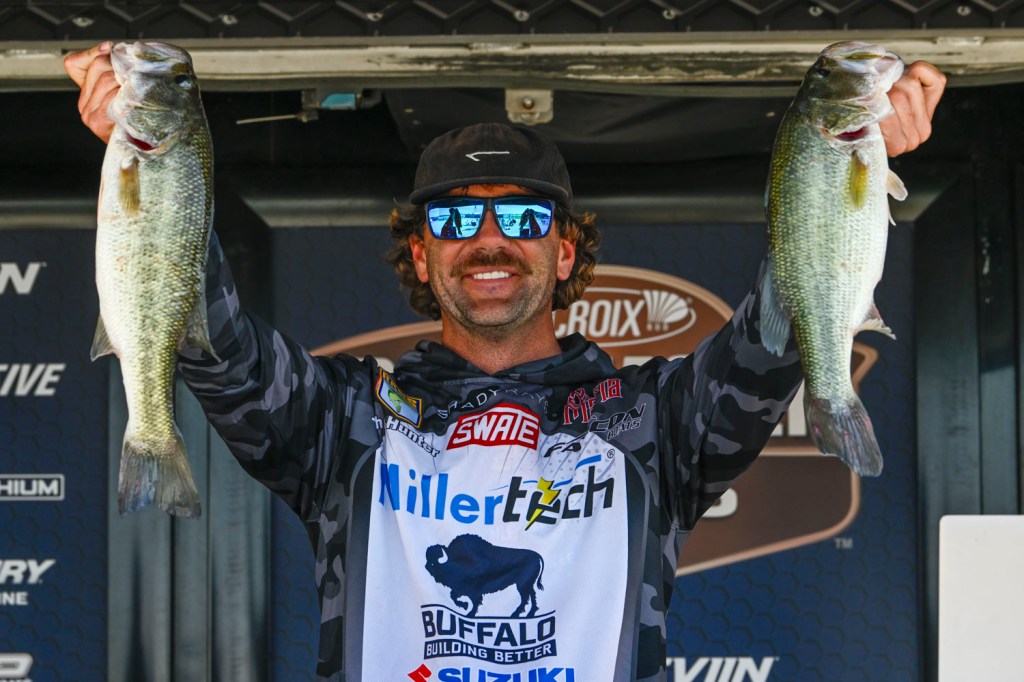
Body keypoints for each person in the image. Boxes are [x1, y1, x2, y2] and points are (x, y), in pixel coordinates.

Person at [66, 42, 945, 681]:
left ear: (565, 252)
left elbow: (783, 328)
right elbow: (206, 335)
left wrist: (847, 160)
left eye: (523, 218)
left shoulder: (653, 424)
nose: (489, 239)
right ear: (421, 256)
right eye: (455, 218)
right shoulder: (345, 422)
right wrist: (151, 154)